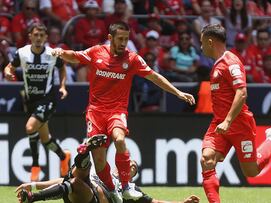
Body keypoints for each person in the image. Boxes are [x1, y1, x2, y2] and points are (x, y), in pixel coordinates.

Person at [51, 22, 195, 201]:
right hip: (95, 113)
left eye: (126, 39)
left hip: (117, 111)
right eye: (120, 39)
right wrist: (61, 53)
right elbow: (75, 56)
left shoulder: (132, 59)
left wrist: (178, 93)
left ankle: (126, 186)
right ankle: (112, 189)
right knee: (99, 160)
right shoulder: (97, 52)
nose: (123, 43)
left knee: (120, 139)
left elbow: (154, 76)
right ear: (110, 38)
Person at [199, 24, 271, 203]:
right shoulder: (216, 65)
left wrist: (227, 121)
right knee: (206, 159)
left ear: (210, 41)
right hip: (218, 123)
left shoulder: (231, 62)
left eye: (202, 42)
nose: (201, 46)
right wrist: (223, 122)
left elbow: (242, 93)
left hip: (239, 123)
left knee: (252, 171)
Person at [16, 135, 201, 203]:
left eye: (134, 168)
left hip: (96, 198)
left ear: (133, 175)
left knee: (75, 181)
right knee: (77, 176)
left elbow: (156, 202)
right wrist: (32, 185)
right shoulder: (101, 170)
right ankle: (84, 153)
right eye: (129, 163)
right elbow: (59, 182)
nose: (130, 166)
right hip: (82, 186)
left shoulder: (132, 191)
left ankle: (84, 154)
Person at [3, 23, 71, 181]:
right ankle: (63, 156)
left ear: (46, 37)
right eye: (36, 35)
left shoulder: (52, 53)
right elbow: (9, 67)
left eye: (42, 35)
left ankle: (35, 166)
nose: (39, 38)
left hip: (47, 99)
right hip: (30, 101)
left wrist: (62, 86)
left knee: (29, 127)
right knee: (46, 139)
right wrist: (7, 73)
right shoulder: (22, 53)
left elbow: (62, 68)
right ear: (30, 36)